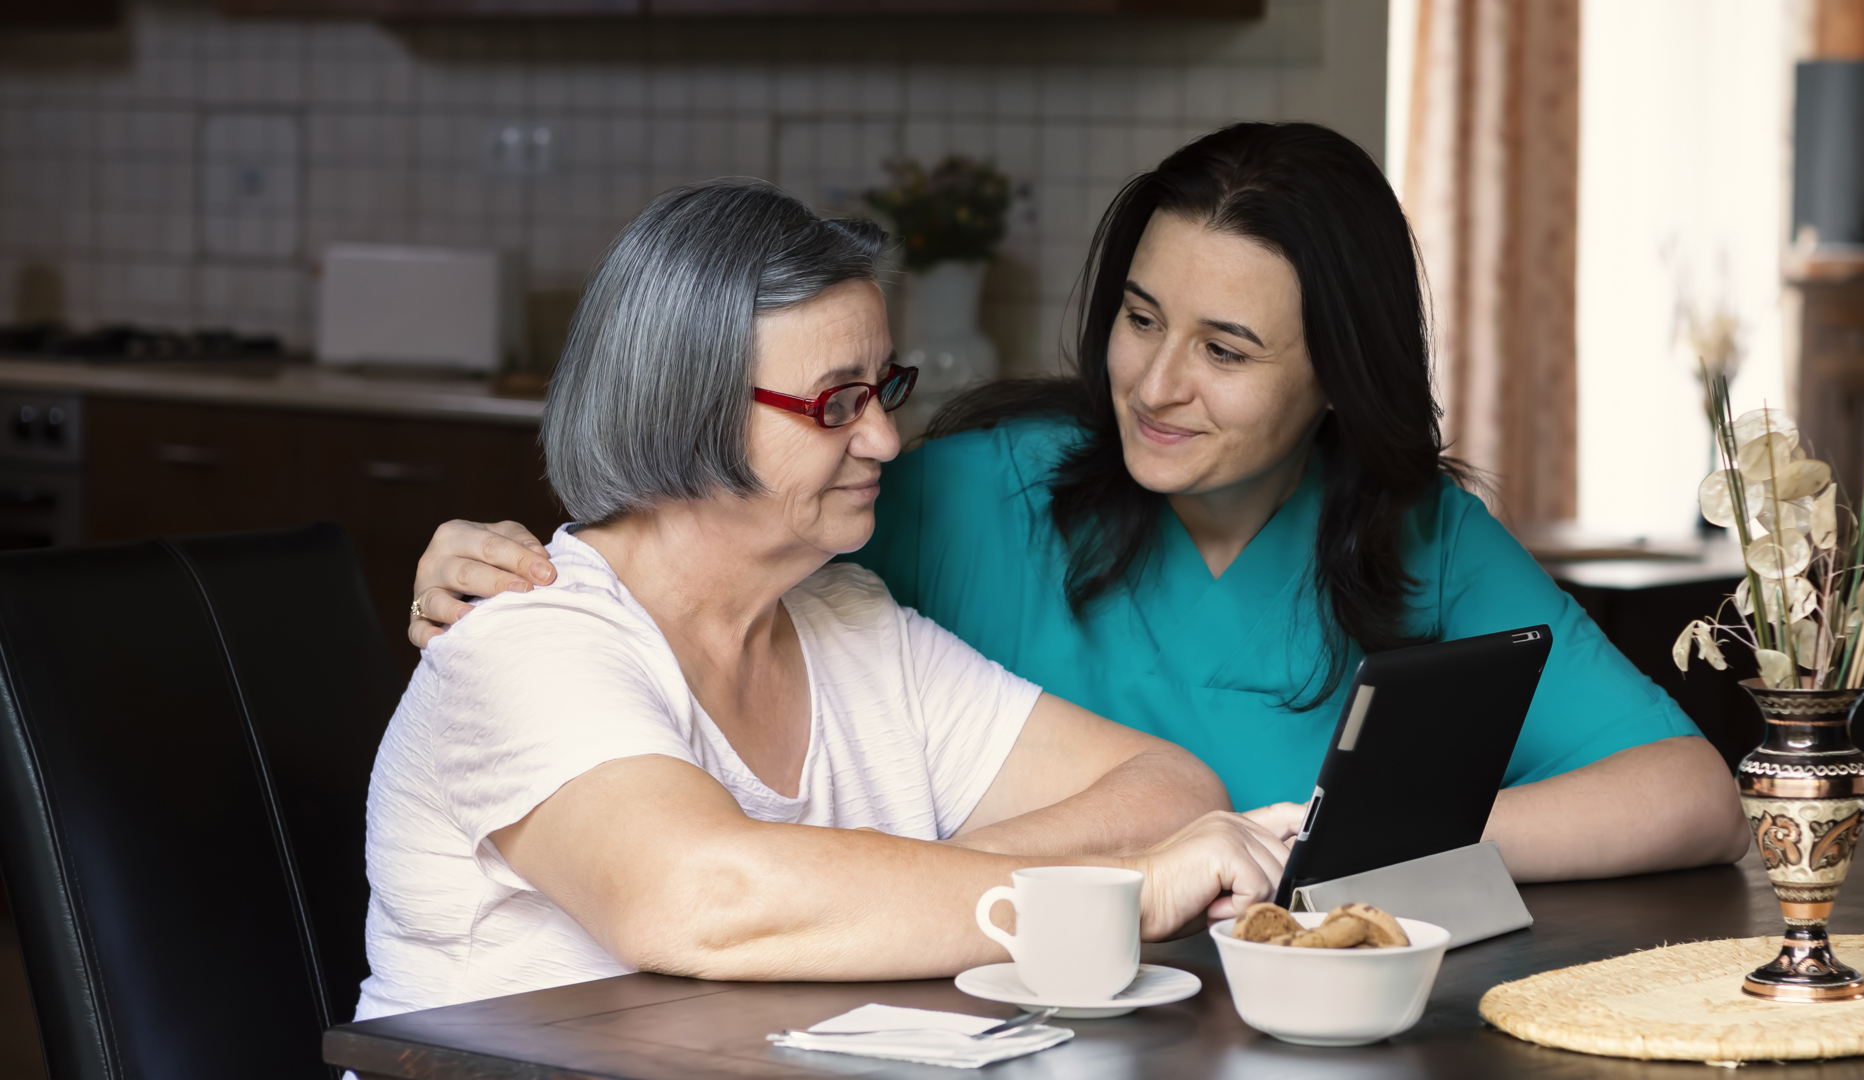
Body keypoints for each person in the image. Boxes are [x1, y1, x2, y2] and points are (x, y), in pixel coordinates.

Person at [407, 123, 1749, 887]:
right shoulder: (970, 497)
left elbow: (1691, 795)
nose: (1155, 385)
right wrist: (507, 558)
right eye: (1141, 318)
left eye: (1226, 351)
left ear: (1338, 375)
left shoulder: (1416, 535)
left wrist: (1342, 845)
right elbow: (706, 534)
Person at [357, 181, 1295, 1021]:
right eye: (836, 403)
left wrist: (871, 895)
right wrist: (1122, 892)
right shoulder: (523, 638)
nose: (884, 439)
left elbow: (1170, 792)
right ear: (688, 406)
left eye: (884, 389)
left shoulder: (850, 623)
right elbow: (699, 899)